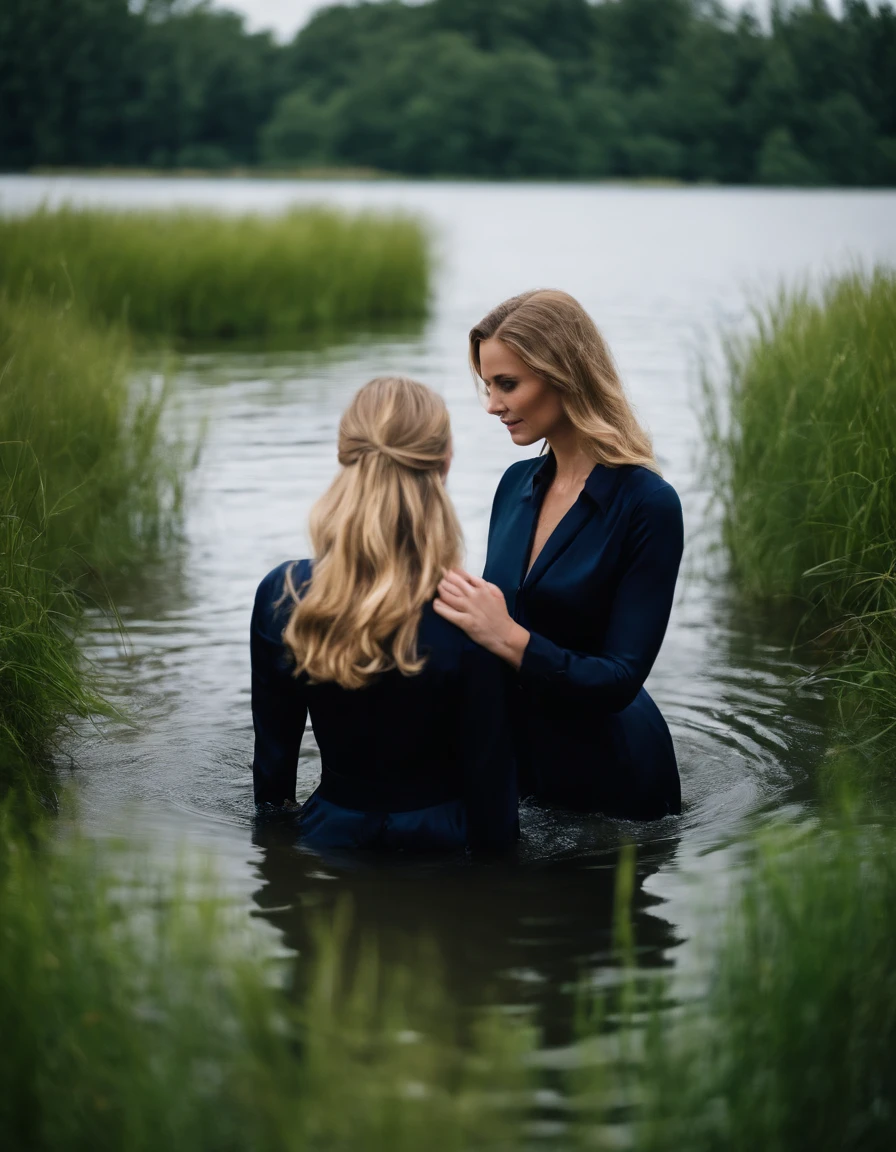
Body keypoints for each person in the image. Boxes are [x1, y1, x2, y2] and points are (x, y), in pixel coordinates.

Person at [435, 290, 683, 821]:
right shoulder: (515, 483)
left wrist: (508, 636)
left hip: (616, 782)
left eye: (508, 385)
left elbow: (619, 679)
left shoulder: (648, 504)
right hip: (522, 769)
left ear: (565, 375)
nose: (492, 405)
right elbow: (492, 624)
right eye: (487, 386)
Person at [251, 375, 518, 853]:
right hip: (446, 847)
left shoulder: (284, 593)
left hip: (327, 835)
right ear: (444, 463)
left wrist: (278, 867)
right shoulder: (471, 611)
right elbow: (494, 801)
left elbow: (272, 778)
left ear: (342, 455)